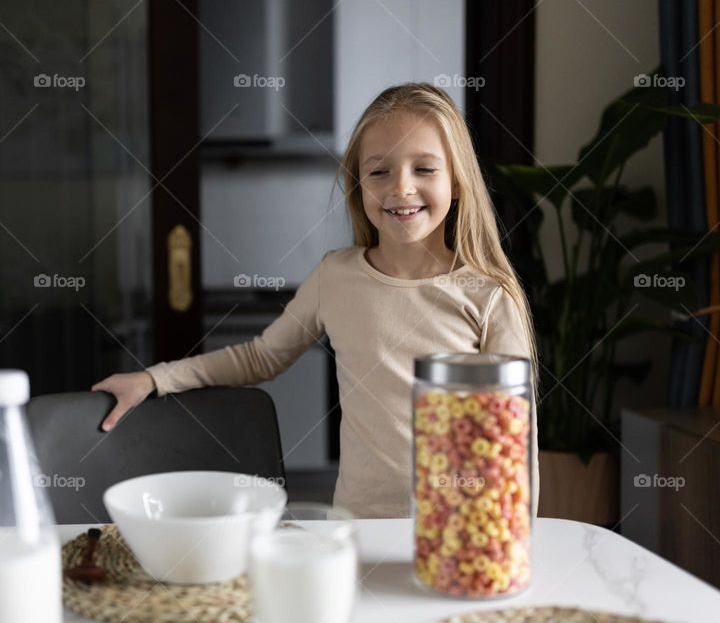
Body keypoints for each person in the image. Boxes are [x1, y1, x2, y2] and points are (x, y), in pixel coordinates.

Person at [92, 83, 539, 519]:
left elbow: (513, 438)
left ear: (458, 182)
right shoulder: (335, 276)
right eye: (379, 171)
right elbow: (260, 357)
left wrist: (515, 542)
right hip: (360, 529)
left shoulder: (488, 297)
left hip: (459, 533)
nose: (401, 188)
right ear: (358, 183)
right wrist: (155, 379)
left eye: (424, 169)